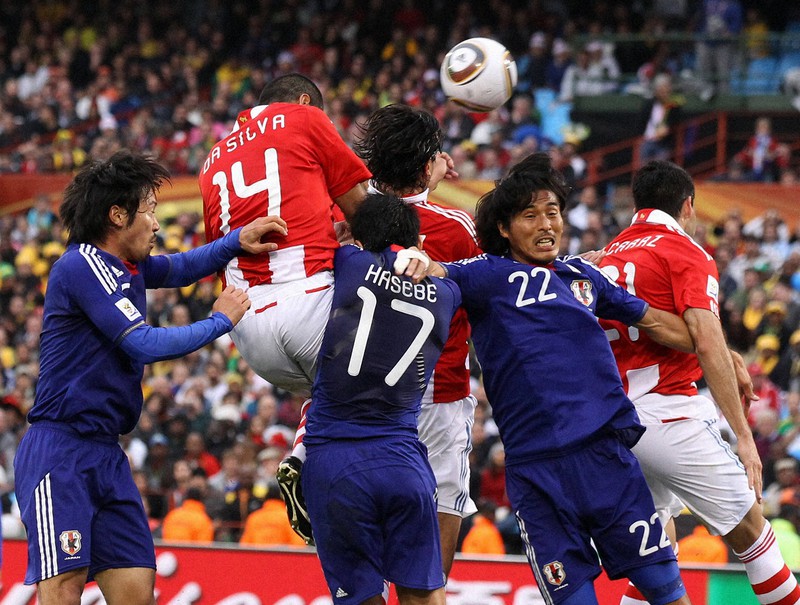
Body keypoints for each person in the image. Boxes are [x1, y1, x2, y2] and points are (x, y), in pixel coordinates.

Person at [418, 153, 693, 605]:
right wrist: (417, 258)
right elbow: (438, 271)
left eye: (552, 212)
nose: (546, 223)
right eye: (530, 215)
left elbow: (659, 323)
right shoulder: (487, 275)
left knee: (667, 592)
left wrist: (716, 346)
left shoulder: (584, 276)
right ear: (504, 230)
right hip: (537, 475)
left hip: (605, 459)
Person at [13, 150, 285, 605]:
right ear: (117, 216)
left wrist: (238, 240)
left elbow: (179, 268)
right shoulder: (81, 265)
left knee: (138, 588)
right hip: (60, 450)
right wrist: (220, 320)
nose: (157, 223)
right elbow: (142, 344)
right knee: (63, 589)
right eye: (150, 210)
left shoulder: (128, 266)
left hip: (106, 452)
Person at [598, 160, 800, 605]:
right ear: (687, 206)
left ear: (637, 203)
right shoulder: (684, 251)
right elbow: (705, 342)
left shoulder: (607, 256)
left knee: (658, 547)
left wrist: (727, 352)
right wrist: (745, 437)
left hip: (617, 418)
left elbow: (662, 326)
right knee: (752, 530)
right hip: (669, 411)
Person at [199, 73, 370, 542]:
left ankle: (302, 457)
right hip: (310, 305)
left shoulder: (211, 160)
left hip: (247, 331)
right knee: (397, 371)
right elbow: (365, 212)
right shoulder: (306, 119)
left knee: (332, 392)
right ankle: (345, 497)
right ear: (303, 102)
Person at [302, 193, 461, 605]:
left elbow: (323, 247)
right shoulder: (446, 295)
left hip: (335, 460)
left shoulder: (350, 264)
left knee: (360, 596)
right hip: (402, 459)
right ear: (420, 242)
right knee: (424, 593)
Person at [353, 103, 480, 576]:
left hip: (369, 397)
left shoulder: (353, 218)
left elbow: (401, 218)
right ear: (428, 166)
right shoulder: (457, 229)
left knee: (368, 548)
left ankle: (305, 446)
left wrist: (427, 180)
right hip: (439, 397)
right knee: (430, 564)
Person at [639, 73, 684, 162]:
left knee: (661, 171)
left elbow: (676, 121)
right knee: (645, 171)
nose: (664, 92)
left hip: (663, 143)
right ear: (656, 90)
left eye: (666, 88)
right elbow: (641, 120)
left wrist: (667, 129)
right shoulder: (649, 104)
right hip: (647, 140)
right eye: (662, 89)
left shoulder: (674, 105)